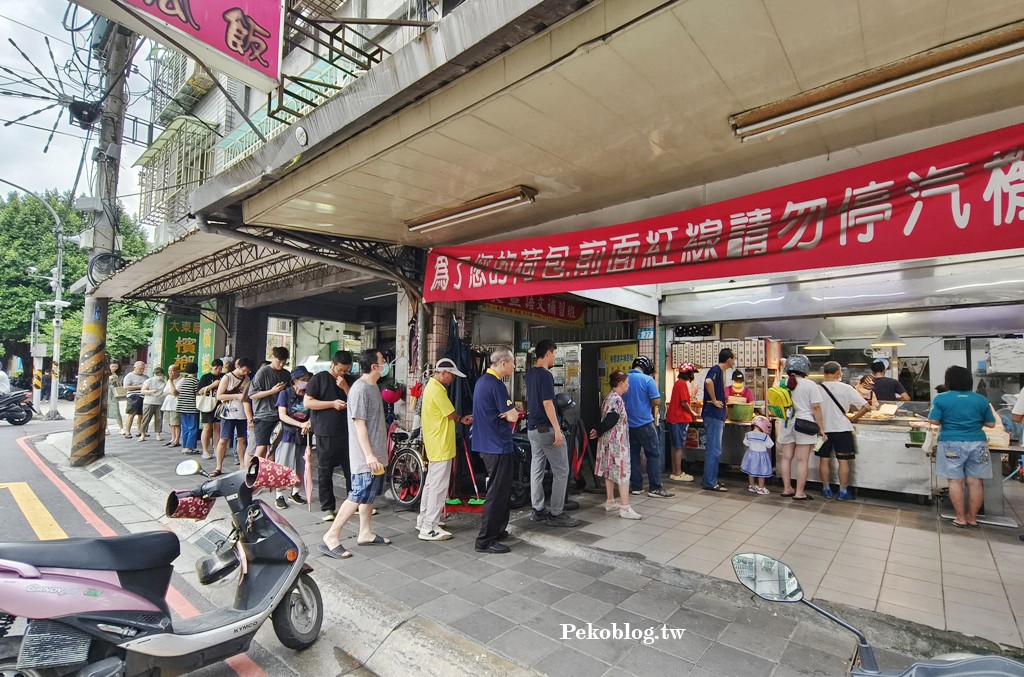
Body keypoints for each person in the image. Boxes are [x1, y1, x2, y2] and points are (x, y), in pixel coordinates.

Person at [320, 349, 392, 559]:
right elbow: (359, 424)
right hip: (365, 455)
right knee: (358, 494)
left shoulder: (372, 386)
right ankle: (331, 536)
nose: (385, 363)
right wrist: (369, 455)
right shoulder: (360, 389)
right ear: (374, 366)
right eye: (382, 361)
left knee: (368, 495)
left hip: (375, 452)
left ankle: (365, 532)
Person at [929, 365, 997, 528]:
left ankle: (960, 518)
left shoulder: (941, 399)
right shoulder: (981, 399)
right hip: (977, 443)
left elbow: (934, 421)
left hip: (951, 443)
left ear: (948, 381)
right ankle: (972, 518)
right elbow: (991, 423)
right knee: (975, 482)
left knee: (955, 481)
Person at [417, 358, 473, 541]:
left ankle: (423, 519)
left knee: (430, 484)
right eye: (452, 376)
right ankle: (429, 527)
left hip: (434, 443)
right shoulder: (437, 390)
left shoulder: (430, 387)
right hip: (441, 445)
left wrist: (459, 419)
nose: (453, 380)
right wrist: (461, 418)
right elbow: (450, 413)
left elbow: (449, 416)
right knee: (438, 487)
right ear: (443, 373)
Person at [526, 340, 580, 527]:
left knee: (537, 469)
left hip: (532, 429)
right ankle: (556, 514)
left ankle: (538, 510)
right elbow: (548, 403)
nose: (555, 357)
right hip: (546, 429)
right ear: (548, 354)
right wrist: (557, 429)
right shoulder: (545, 375)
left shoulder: (530, 374)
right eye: (555, 354)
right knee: (561, 470)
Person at [473, 348, 520, 554]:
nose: (514, 367)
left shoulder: (481, 382)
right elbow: (513, 417)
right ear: (503, 364)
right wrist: (513, 413)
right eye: (512, 363)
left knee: (500, 491)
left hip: (486, 444)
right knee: (496, 493)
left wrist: (509, 413)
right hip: (498, 445)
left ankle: (498, 530)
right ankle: (485, 540)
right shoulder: (496, 385)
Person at [304, 350, 357, 522]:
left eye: (346, 370)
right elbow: (308, 402)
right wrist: (332, 404)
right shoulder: (318, 379)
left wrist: (345, 387)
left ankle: (354, 502)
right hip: (325, 431)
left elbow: (357, 401)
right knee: (325, 470)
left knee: (351, 469)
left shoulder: (349, 380)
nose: (342, 373)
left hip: (347, 431)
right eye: (340, 369)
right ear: (332, 364)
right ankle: (327, 507)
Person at [590, 371, 641, 519]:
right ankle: (625, 507)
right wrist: (599, 429)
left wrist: (598, 430)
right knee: (623, 472)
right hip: (617, 443)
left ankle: (610, 501)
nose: (628, 385)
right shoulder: (617, 400)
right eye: (627, 382)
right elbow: (611, 420)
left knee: (609, 471)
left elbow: (606, 419)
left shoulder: (608, 398)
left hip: (607, 442)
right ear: (620, 383)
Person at [818, 361, 871, 500]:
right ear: (837, 373)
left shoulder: (818, 388)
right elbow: (866, 407)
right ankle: (842, 492)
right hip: (842, 429)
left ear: (824, 373)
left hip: (823, 430)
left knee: (824, 460)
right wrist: (853, 419)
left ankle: (826, 489)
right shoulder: (846, 388)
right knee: (843, 461)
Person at [777, 354, 826, 501]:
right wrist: (821, 428)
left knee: (786, 458)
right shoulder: (810, 384)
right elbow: (816, 407)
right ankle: (799, 492)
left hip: (786, 423)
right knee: (802, 460)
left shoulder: (782, 383)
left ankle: (787, 488)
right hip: (804, 424)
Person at [624, 356, 673, 499]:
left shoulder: (624, 379)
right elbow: (656, 401)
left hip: (628, 424)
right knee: (653, 454)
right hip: (644, 423)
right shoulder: (647, 380)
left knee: (633, 454)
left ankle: (636, 486)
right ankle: (655, 487)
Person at [274, 366, 312, 509]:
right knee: (284, 463)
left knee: (301, 465)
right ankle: (279, 494)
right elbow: (282, 415)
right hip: (288, 433)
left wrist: (308, 424)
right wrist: (300, 424)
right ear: (294, 380)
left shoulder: (309, 394)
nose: (306, 383)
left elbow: (313, 412)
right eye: (302, 380)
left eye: (308, 380)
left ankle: (295, 492)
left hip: (304, 434)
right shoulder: (285, 394)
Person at [249, 347, 293, 467]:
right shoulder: (263, 372)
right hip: (264, 415)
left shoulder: (286, 374)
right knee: (261, 447)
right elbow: (252, 395)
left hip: (279, 415)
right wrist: (272, 391)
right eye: (279, 361)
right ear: (272, 357)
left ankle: (270, 477)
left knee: (274, 448)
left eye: (284, 362)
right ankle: (251, 475)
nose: (281, 364)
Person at [213, 357, 254, 476]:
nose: (245, 373)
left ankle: (242, 464)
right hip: (228, 413)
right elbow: (219, 396)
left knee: (242, 439)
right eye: (244, 370)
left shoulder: (247, 379)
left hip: (242, 413)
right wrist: (237, 396)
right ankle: (218, 466)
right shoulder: (227, 377)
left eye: (248, 371)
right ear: (238, 367)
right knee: (224, 439)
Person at [702, 349, 734, 492]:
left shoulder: (719, 372)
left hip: (716, 415)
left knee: (715, 449)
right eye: (734, 358)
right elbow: (708, 381)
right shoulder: (716, 370)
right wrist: (714, 400)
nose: (734, 361)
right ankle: (709, 482)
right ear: (729, 360)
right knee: (713, 449)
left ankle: (711, 479)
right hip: (713, 415)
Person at [665, 363, 696, 482]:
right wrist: (693, 413)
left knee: (674, 446)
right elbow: (684, 403)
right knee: (678, 447)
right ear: (689, 374)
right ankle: (678, 473)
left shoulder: (677, 384)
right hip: (679, 419)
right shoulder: (682, 384)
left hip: (673, 419)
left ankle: (674, 472)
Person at [197, 359, 224, 459]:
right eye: (216, 368)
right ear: (211, 367)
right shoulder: (206, 377)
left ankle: (216, 449)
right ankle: (205, 450)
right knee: (207, 427)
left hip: (219, 405)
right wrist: (212, 385)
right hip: (207, 405)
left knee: (218, 427)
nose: (218, 370)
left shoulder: (224, 376)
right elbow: (200, 391)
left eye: (220, 368)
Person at [742, 416, 774, 495]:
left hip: (751, 455)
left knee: (751, 471)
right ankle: (761, 487)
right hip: (762, 457)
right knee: (761, 472)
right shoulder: (765, 436)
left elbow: (745, 443)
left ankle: (752, 486)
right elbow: (770, 445)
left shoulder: (748, 434)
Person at [176, 363, 201, 455]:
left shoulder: (184, 381)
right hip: (192, 408)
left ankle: (184, 446)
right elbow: (197, 394)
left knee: (185, 428)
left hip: (182, 408)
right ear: (196, 370)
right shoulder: (195, 381)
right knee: (193, 428)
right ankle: (189, 447)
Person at [138, 367, 167, 442]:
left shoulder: (164, 381)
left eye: (160, 374)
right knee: (146, 418)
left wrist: (166, 380)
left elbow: (168, 389)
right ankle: (142, 434)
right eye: (157, 374)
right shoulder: (149, 381)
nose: (159, 376)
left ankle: (158, 433)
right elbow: (143, 391)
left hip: (160, 402)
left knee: (159, 418)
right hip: (149, 402)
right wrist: (150, 392)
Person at [122, 361, 148, 438]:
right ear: (134, 367)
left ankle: (140, 431)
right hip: (133, 396)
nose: (142, 370)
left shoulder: (146, 377)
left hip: (143, 396)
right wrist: (139, 387)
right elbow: (126, 387)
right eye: (140, 368)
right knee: (131, 414)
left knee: (142, 415)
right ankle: (127, 431)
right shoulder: (129, 376)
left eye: (143, 368)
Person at [161, 363, 181, 447]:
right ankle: (172, 438)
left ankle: (177, 440)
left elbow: (174, 392)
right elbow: (164, 392)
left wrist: (171, 382)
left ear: (178, 371)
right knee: (171, 423)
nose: (170, 373)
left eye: (172, 371)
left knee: (176, 423)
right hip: (168, 404)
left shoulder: (181, 380)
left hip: (175, 405)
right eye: (169, 371)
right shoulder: (169, 380)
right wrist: (170, 383)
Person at [108, 362, 125, 434]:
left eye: (116, 367)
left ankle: (121, 428)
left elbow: (120, 386)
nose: (114, 368)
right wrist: (109, 379)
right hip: (106, 393)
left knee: (116, 411)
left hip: (114, 394)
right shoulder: (105, 373)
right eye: (113, 366)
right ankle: (106, 428)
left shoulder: (119, 375)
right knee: (105, 412)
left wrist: (117, 379)